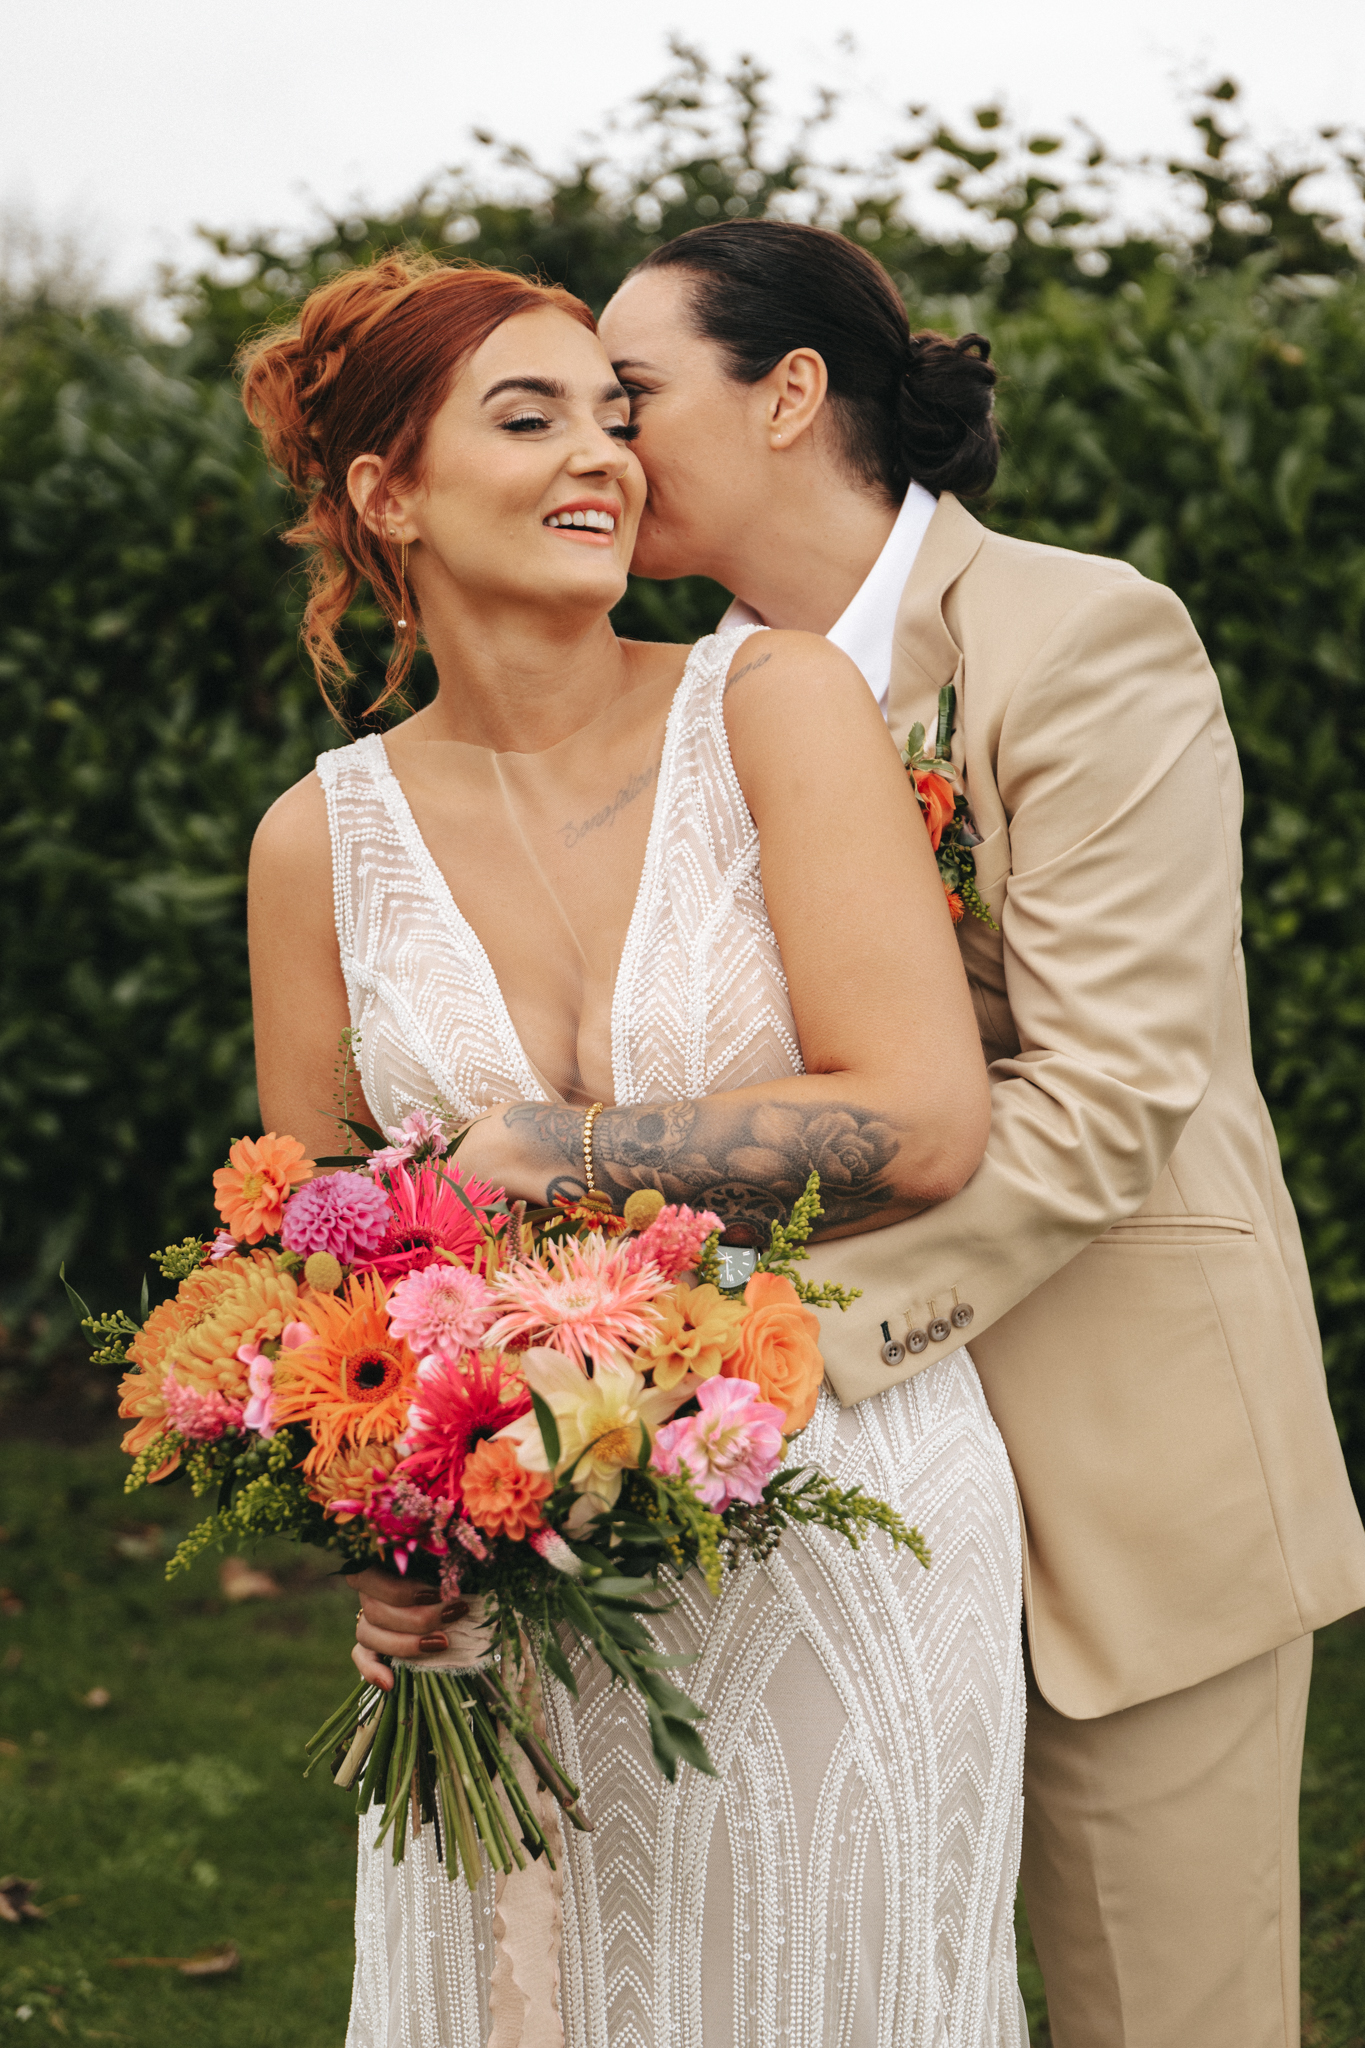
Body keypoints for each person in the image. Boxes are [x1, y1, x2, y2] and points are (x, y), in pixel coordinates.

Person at [241, 253, 1029, 2048]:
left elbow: (922, 1118)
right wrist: (385, 1526)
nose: (600, 454)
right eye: (526, 419)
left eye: (611, 413)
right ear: (389, 494)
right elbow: (315, 1284)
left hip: (843, 1520)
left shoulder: (772, 707)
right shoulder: (319, 846)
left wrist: (555, 1153)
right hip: (515, 1586)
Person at [597, 217, 1365, 2048]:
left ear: (789, 395)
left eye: (629, 396)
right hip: (798, 1511)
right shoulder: (664, 712)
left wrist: (786, 1345)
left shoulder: (1079, 633)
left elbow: (1108, 1093)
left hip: (1122, 1465)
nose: (593, 449)